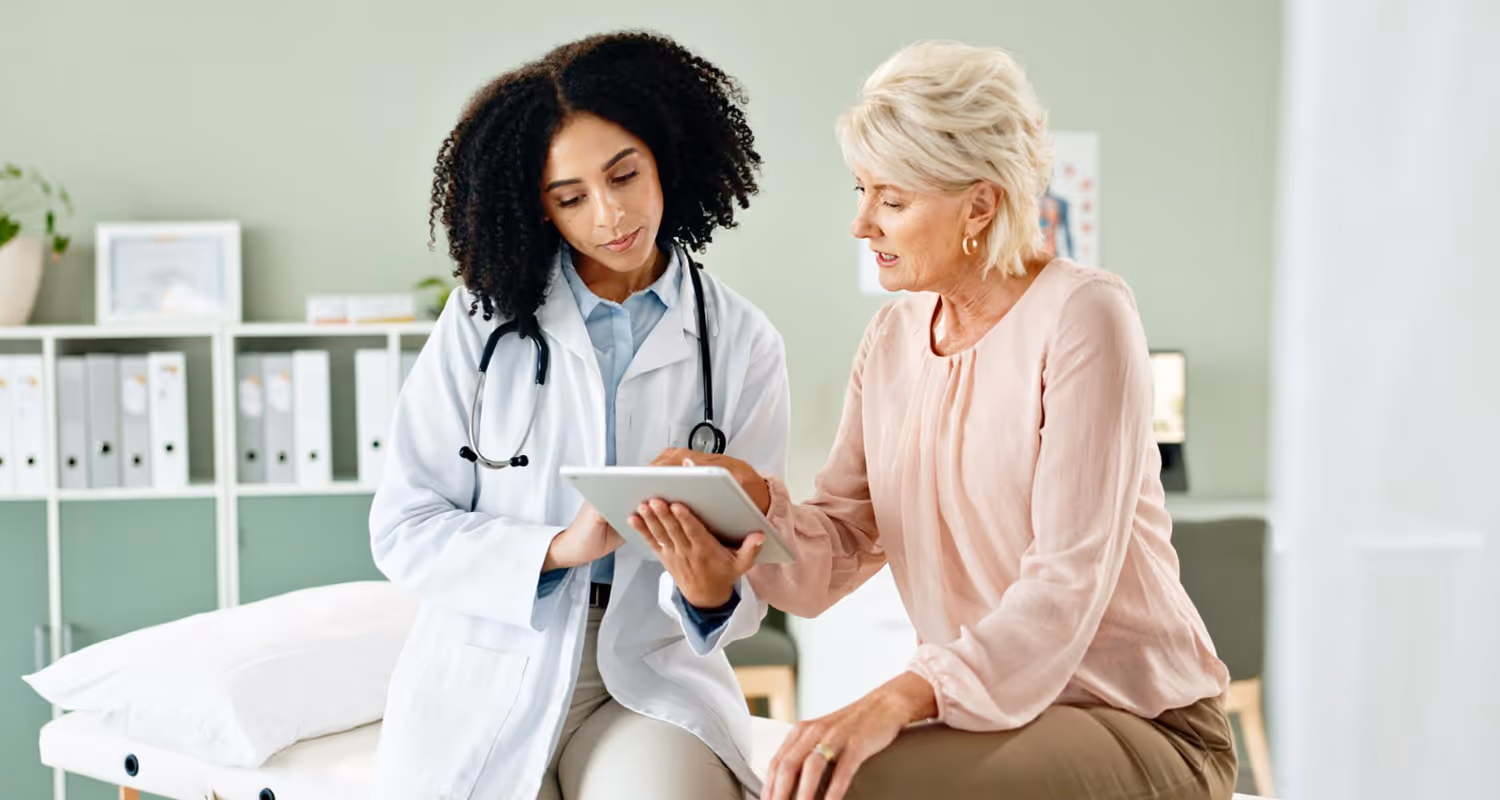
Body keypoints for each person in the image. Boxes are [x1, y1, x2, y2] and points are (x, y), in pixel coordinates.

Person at [632, 40, 1237, 800]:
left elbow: (1064, 586)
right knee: (804, 776)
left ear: (980, 204)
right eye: (860, 190)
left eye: (891, 199)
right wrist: (749, 508)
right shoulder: (891, 339)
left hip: (1138, 720)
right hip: (1002, 721)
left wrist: (894, 699)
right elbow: (839, 549)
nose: (861, 224)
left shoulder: (1084, 314)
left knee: (847, 784)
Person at [369, 31, 789, 800]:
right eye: (572, 197)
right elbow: (403, 528)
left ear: (665, 156)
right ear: (539, 208)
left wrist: (708, 592)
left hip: (650, 669)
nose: (612, 214)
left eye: (625, 174)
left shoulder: (742, 342)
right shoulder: (480, 324)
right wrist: (559, 547)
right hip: (494, 663)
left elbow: (758, 556)